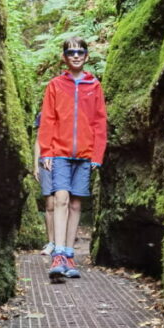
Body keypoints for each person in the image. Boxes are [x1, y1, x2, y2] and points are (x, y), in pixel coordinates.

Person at [38, 37, 107, 281]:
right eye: (71, 52)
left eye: (80, 52)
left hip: (86, 154)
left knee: (76, 203)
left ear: (86, 56)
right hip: (59, 152)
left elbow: (99, 121)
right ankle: (57, 253)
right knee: (60, 198)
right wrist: (46, 151)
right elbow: (48, 119)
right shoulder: (56, 85)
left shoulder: (94, 85)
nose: (76, 56)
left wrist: (97, 153)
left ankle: (68, 254)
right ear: (65, 57)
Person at [33, 114, 55, 256]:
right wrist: (35, 165)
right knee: (50, 204)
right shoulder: (43, 114)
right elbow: (38, 140)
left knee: (63, 202)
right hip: (45, 162)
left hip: (62, 160)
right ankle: (51, 242)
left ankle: (61, 243)